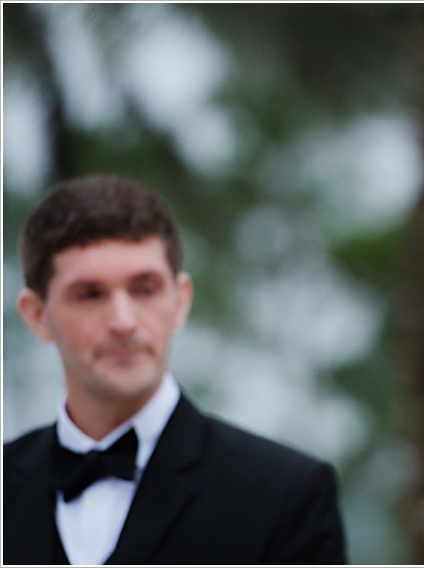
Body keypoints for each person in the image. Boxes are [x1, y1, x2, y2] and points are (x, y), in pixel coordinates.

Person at [3, 175, 347, 565]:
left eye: (144, 289)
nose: (123, 321)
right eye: (90, 294)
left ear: (180, 301)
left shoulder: (285, 495)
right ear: (36, 316)